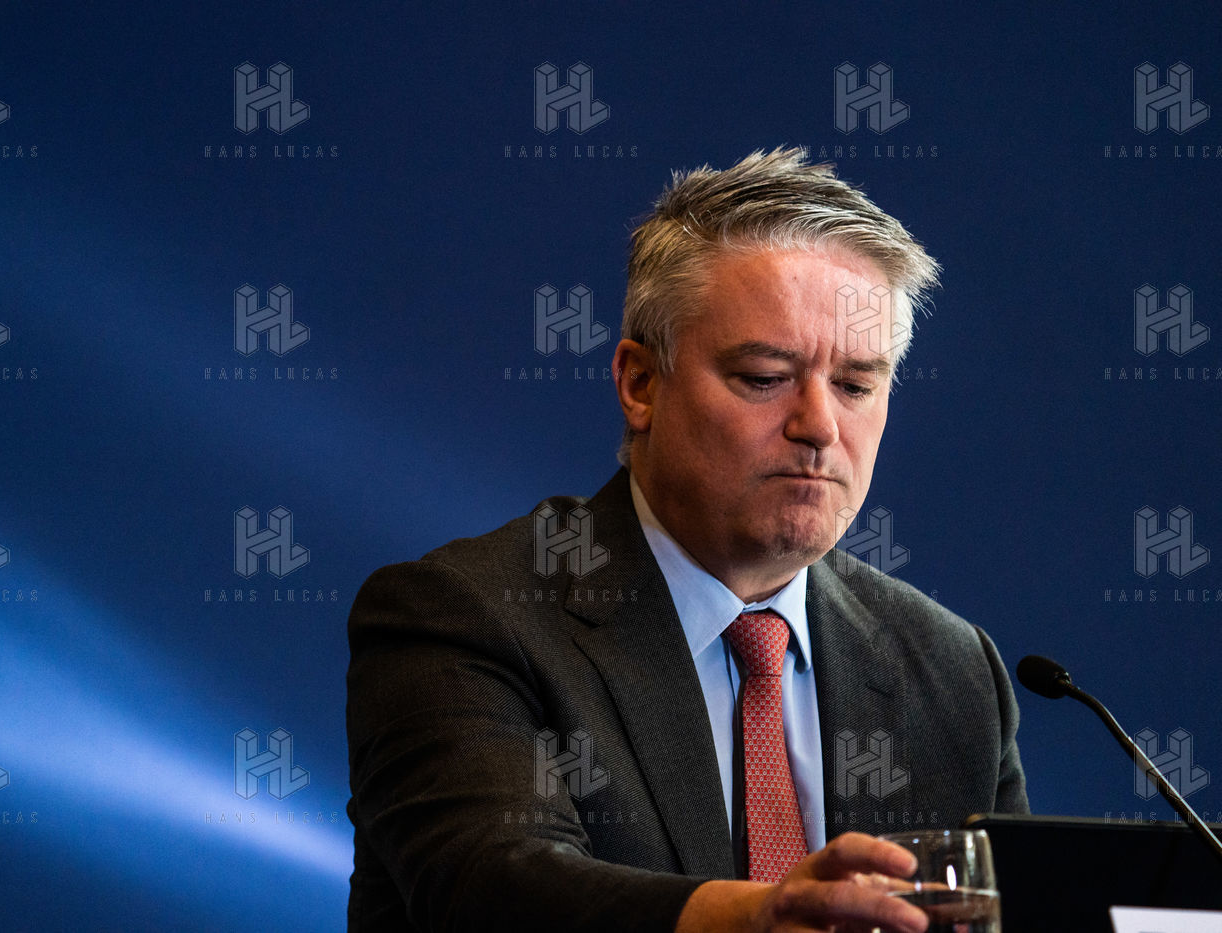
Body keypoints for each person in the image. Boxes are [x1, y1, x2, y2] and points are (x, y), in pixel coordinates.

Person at [346, 147, 1029, 933]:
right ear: (640, 384)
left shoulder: (951, 669)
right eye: (764, 376)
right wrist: (755, 917)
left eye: (855, 384)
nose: (819, 426)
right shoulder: (464, 615)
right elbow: (494, 887)